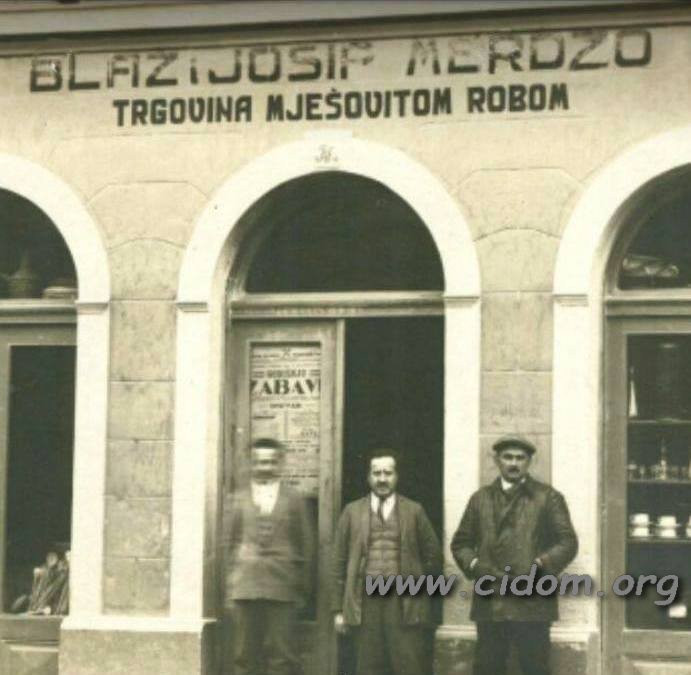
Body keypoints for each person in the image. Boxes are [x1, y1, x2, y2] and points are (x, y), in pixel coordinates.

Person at [451, 435, 578, 675]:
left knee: (534, 667)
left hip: (533, 601)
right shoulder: (480, 499)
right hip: (491, 600)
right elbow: (461, 543)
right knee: (488, 667)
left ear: (529, 462)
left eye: (520, 458)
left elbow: (568, 542)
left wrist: (540, 566)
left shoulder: (548, 497)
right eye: (507, 457)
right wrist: (476, 565)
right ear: (496, 460)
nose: (513, 463)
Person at [331, 448, 442, 675]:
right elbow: (338, 563)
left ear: (396, 476)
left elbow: (434, 557)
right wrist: (338, 610)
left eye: (388, 473)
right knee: (368, 665)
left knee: (407, 665)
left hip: (402, 602)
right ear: (368, 476)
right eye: (376, 473)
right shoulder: (352, 512)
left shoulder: (414, 511)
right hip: (365, 601)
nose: (382, 479)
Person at [222, 437, 315, 675]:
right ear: (251, 464)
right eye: (260, 462)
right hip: (245, 588)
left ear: (280, 464)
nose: (265, 467)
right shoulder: (238, 499)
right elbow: (229, 544)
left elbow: (305, 546)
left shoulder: (294, 500)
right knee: (244, 656)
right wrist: (230, 589)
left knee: (282, 657)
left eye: (271, 462)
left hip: (282, 588)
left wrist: (301, 589)